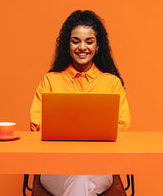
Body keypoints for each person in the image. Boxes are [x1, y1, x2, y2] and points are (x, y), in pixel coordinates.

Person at [29, 10, 131, 196]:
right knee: (79, 182)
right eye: (76, 41)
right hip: (55, 168)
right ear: (67, 46)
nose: (82, 47)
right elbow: (37, 126)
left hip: (99, 168)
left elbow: (121, 127)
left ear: (98, 46)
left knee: (81, 180)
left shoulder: (112, 83)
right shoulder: (50, 81)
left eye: (89, 41)